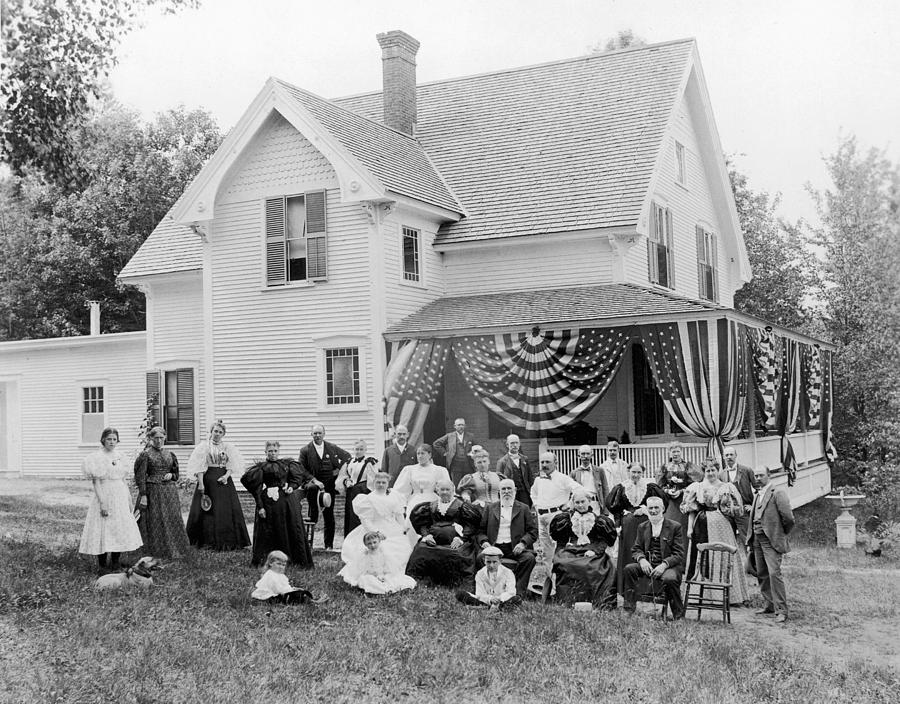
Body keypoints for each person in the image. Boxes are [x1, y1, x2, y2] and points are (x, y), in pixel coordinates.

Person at [681, 459, 750, 604]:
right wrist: (689, 528)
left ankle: (729, 595)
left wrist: (729, 508)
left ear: (717, 470)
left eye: (713, 470)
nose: (711, 473)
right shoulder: (697, 487)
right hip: (701, 524)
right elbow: (691, 510)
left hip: (721, 525)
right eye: (708, 470)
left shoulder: (726, 487)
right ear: (704, 472)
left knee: (722, 554)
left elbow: (736, 510)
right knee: (702, 556)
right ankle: (703, 595)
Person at [79, 427, 143, 572]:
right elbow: (96, 482)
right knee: (104, 526)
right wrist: (102, 503)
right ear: (103, 440)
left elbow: (123, 479)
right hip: (105, 492)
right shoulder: (96, 458)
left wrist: (129, 499)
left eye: (114, 439)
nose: (112, 442)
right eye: (109, 439)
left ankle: (115, 561)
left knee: (118, 527)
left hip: (119, 493)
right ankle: (102, 564)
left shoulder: (121, 456)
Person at [241, 441, 313, 568]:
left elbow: (296, 478)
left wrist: (291, 486)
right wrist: (260, 506)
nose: (273, 453)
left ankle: (292, 559)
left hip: (286, 501)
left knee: (289, 527)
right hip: (269, 502)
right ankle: (269, 559)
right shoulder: (261, 468)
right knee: (270, 528)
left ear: (278, 451)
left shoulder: (287, 464)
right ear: (265, 452)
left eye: (275, 451)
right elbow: (256, 489)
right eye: (270, 451)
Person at [185, 420, 251, 551]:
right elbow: (199, 466)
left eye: (220, 432)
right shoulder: (204, 447)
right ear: (211, 431)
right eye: (215, 431)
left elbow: (232, 464)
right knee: (207, 510)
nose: (217, 434)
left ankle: (228, 541)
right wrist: (201, 484)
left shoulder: (228, 447)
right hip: (208, 479)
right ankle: (207, 542)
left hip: (224, 481)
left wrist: (226, 476)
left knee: (225, 509)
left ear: (224, 434)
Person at [547, 487, 617, 608]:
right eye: (577, 502)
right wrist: (558, 554)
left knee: (593, 566)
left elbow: (603, 541)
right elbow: (561, 541)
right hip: (572, 549)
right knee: (565, 563)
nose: (580, 505)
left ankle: (593, 600)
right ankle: (567, 600)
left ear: (589, 501)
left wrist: (595, 551)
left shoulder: (599, 520)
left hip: (592, 550)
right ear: (573, 504)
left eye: (583, 501)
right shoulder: (566, 519)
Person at [605, 462, 667, 595]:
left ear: (642, 473)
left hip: (646, 525)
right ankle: (626, 589)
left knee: (645, 551)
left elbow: (662, 503)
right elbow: (613, 506)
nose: (636, 475)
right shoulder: (621, 488)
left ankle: (646, 588)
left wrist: (646, 509)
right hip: (628, 526)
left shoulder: (650, 488)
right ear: (628, 472)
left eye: (639, 472)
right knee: (628, 552)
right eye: (633, 472)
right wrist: (620, 520)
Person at [405, 479, 481, 586]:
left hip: (456, 540)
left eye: (447, 489)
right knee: (421, 550)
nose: (445, 492)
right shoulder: (431, 506)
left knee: (456, 553)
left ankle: (454, 582)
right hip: (433, 540)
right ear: (437, 491)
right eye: (442, 489)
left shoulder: (462, 505)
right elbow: (423, 524)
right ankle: (420, 580)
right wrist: (427, 535)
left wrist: (461, 538)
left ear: (453, 490)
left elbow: (470, 525)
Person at [622, 496, 686, 619]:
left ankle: (678, 614)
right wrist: (642, 560)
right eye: (650, 508)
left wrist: (664, 565)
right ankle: (629, 608)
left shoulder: (674, 527)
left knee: (669, 579)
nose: (653, 511)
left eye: (657, 507)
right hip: (649, 564)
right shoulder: (642, 526)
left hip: (669, 566)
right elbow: (636, 549)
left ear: (663, 509)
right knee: (629, 569)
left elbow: (679, 554)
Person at [339, 472, 412, 576]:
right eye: (378, 482)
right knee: (380, 546)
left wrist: (402, 527)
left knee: (400, 544)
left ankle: (397, 570)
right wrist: (376, 533)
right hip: (375, 527)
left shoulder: (394, 495)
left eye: (383, 482)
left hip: (392, 526)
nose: (381, 485)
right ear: (374, 483)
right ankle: (376, 570)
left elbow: (399, 514)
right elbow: (366, 520)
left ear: (388, 483)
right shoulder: (368, 499)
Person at [134, 426, 190, 559]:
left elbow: (176, 474)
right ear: (150, 439)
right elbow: (140, 476)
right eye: (155, 438)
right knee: (155, 519)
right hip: (153, 491)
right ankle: (154, 551)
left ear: (165, 438)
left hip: (169, 492)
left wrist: (171, 475)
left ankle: (174, 548)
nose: (159, 441)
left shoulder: (170, 454)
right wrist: (143, 495)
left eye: (161, 438)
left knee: (171, 518)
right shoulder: (145, 454)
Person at [747, 466, 795, 624]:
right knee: (761, 572)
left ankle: (781, 610)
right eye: (756, 475)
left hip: (771, 540)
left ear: (769, 475)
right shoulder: (757, 494)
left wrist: (779, 534)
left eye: (761, 475)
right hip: (756, 539)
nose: (758, 478)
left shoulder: (777, 493)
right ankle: (769, 604)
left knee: (774, 573)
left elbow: (788, 518)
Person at [476, 478, 538, 597]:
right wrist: (484, 542)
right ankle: (489, 591)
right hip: (495, 546)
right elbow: (480, 531)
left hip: (515, 547)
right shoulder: (490, 508)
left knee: (529, 559)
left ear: (514, 490)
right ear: (499, 491)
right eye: (503, 489)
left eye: (509, 488)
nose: (506, 491)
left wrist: (523, 543)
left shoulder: (523, 508)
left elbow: (533, 531)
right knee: (480, 557)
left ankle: (517, 593)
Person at [530, 451, 582, 586]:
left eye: (548, 462)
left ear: (556, 463)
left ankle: (560, 583)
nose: (544, 465)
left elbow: (579, 490)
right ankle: (550, 584)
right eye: (542, 462)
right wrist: (537, 506)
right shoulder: (538, 480)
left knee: (557, 551)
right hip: (542, 518)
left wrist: (570, 504)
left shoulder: (563, 478)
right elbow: (533, 493)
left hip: (557, 517)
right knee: (546, 553)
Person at [298, 424, 351, 551]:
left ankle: (328, 545)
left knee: (329, 514)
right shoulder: (305, 450)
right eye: (315, 433)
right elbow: (301, 469)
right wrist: (314, 480)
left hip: (329, 485)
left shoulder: (331, 447)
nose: (317, 435)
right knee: (313, 514)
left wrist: (338, 471)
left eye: (319, 433)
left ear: (324, 434)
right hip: (313, 485)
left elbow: (347, 457)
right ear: (311, 434)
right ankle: (308, 545)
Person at [393, 444, 452, 546]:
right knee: (410, 524)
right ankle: (413, 548)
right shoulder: (410, 469)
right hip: (415, 499)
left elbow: (446, 488)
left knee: (433, 525)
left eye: (423, 453)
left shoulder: (439, 470)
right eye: (418, 454)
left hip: (432, 500)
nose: (420, 456)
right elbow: (402, 490)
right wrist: (399, 504)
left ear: (430, 455)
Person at [340, 531, 417, 595]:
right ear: (365, 545)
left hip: (383, 574)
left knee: (392, 579)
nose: (372, 545)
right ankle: (378, 589)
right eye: (369, 543)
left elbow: (388, 566)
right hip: (371, 575)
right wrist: (374, 575)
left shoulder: (383, 553)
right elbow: (364, 568)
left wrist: (383, 575)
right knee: (365, 579)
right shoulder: (365, 554)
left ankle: (386, 588)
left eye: (374, 542)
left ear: (379, 541)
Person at [657, 441, 697, 551]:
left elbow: (693, 484)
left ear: (681, 452)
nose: (675, 454)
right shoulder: (665, 467)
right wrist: (667, 491)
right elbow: (660, 485)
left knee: (683, 527)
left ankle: (684, 558)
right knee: (669, 527)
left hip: (684, 501)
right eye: (673, 451)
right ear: (669, 453)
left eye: (678, 451)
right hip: (670, 502)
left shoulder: (688, 466)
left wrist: (682, 491)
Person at [455, 546, 522, 610]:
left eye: (494, 562)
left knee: (517, 599)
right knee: (460, 594)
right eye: (488, 562)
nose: (491, 565)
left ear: (500, 561)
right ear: (484, 561)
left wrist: (499, 599)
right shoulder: (480, 573)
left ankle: (487, 607)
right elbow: (480, 593)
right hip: (486, 601)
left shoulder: (508, 572)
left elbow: (511, 592)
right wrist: (490, 599)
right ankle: (491, 608)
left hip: (502, 600)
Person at [335, 440, 379, 536]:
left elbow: (373, 480)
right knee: (350, 516)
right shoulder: (349, 462)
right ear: (353, 450)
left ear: (365, 450)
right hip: (351, 492)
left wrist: (365, 489)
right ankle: (350, 539)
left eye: (361, 449)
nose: (358, 451)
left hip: (363, 492)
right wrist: (346, 481)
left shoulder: (369, 462)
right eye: (356, 449)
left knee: (361, 516)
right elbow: (342, 476)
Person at [251, 550, 326, 605]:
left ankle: (312, 599)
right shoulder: (270, 575)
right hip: (270, 597)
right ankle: (312, 602)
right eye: (278, 564)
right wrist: (290, 591)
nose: (281, 567)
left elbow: (284, 586)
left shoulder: (280, 575)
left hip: (279, 594)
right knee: (296, 595)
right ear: (271, 563)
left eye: (283, 565)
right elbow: (278, 589)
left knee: (302, 591)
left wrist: (292, 589)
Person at [719, 446, 755, 543]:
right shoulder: (721, 475)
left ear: (736, 456)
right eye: (727, 455)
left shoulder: (746, 470)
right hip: (729, 513)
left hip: (743, 511)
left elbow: (758, 489)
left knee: (748, 540)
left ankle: (751, 558)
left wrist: (753, 506)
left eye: (731, 454)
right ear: (723, 457)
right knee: (730, 541)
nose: (729, 457)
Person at [495, 434, 538, 507]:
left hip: (524, 493)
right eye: (512, 443)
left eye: (516, 443)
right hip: (510, 493)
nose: (515, 445)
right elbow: (499, 481)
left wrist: (533, 493)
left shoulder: (525, 459)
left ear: (519, 444)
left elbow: (530, 478)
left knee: (525, 511)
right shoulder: (502, 462)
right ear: (507, 445)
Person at [432, 417, 477, 486]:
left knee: (469, 484)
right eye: (459, 425)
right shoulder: (450, 436)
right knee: (456, 485)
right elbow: (436, 444)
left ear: (465, 426)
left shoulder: (470, 436)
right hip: (455, 465)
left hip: (468, 464)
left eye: (462, 425)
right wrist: (444, 453)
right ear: (455, 426)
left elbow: (476, 447)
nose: (461, 427)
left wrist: (472, 453)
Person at [570, 445, 610, 514]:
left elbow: (605, 490)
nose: (585, 456)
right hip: (581, 505)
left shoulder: (599, 471)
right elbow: (570, 492)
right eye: (583, 454)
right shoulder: (574, 473)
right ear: (578, 456)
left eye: (588, 453)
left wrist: (606, 509)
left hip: (595, 504)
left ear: (592, 455)